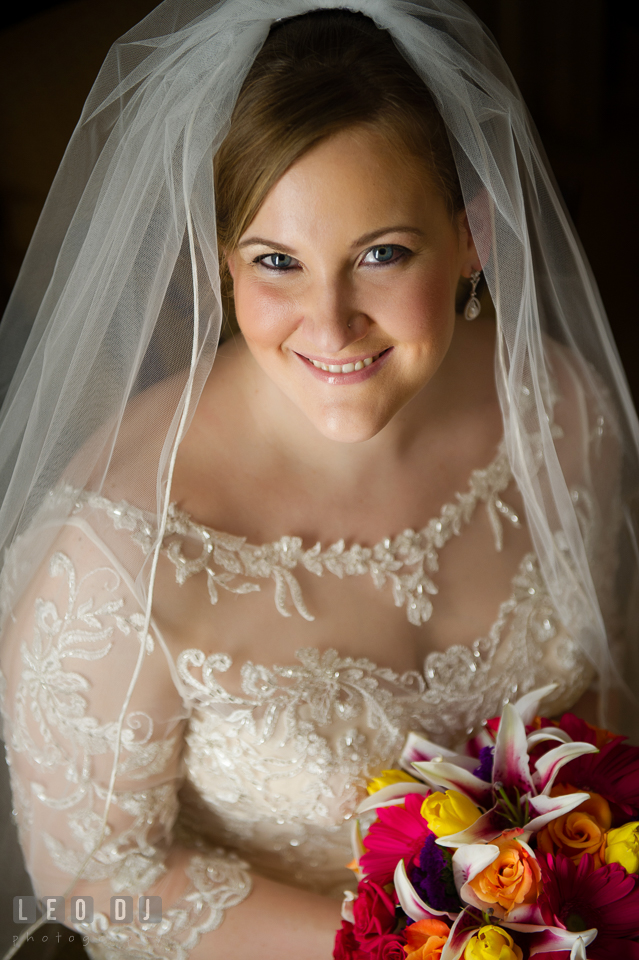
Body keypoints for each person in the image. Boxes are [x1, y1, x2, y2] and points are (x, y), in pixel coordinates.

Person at [0, 1, 637, 958]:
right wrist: (418, 951)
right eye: (277, 262)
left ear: (473, 240)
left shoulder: (559, 410)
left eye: (381, 254)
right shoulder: (111, 554)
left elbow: (604, 710)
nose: (330, 325)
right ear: (223, 261)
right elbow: (95, 882)